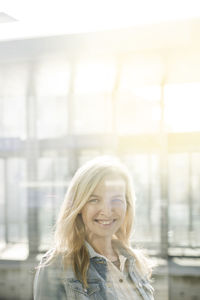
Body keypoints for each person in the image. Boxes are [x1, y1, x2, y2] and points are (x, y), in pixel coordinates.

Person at [34, 156, 155, 300]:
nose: (107, 211)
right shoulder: (56, 266)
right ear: (78, 206)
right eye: (94, 200)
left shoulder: (135, 262)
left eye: (116, 199)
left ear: (127, 205)